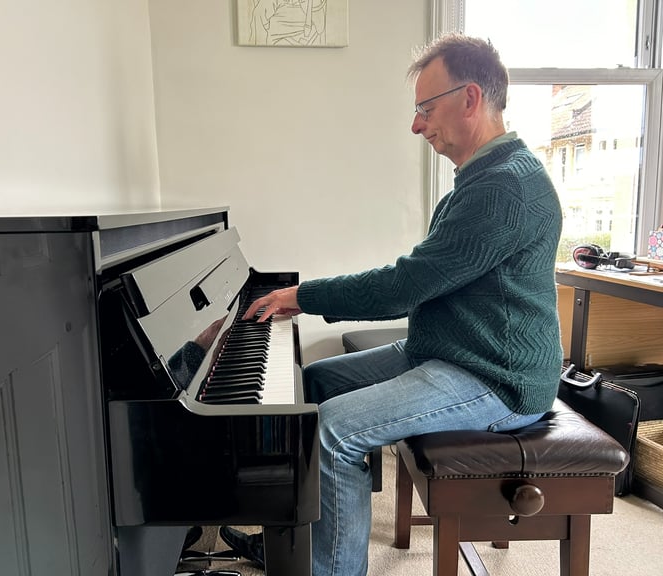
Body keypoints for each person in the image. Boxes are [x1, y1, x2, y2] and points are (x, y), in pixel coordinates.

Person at [221, 33, 563, 576]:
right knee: (314, 387)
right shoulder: (480, 180)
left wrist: (303, 296)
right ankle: (301, 547)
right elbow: (425, 279)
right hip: (451, 348)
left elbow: (405, 286)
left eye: (426, 108)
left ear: (470, 99)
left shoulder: (504, 189)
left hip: (497, 376)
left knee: (332, 431)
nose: (416, 124)